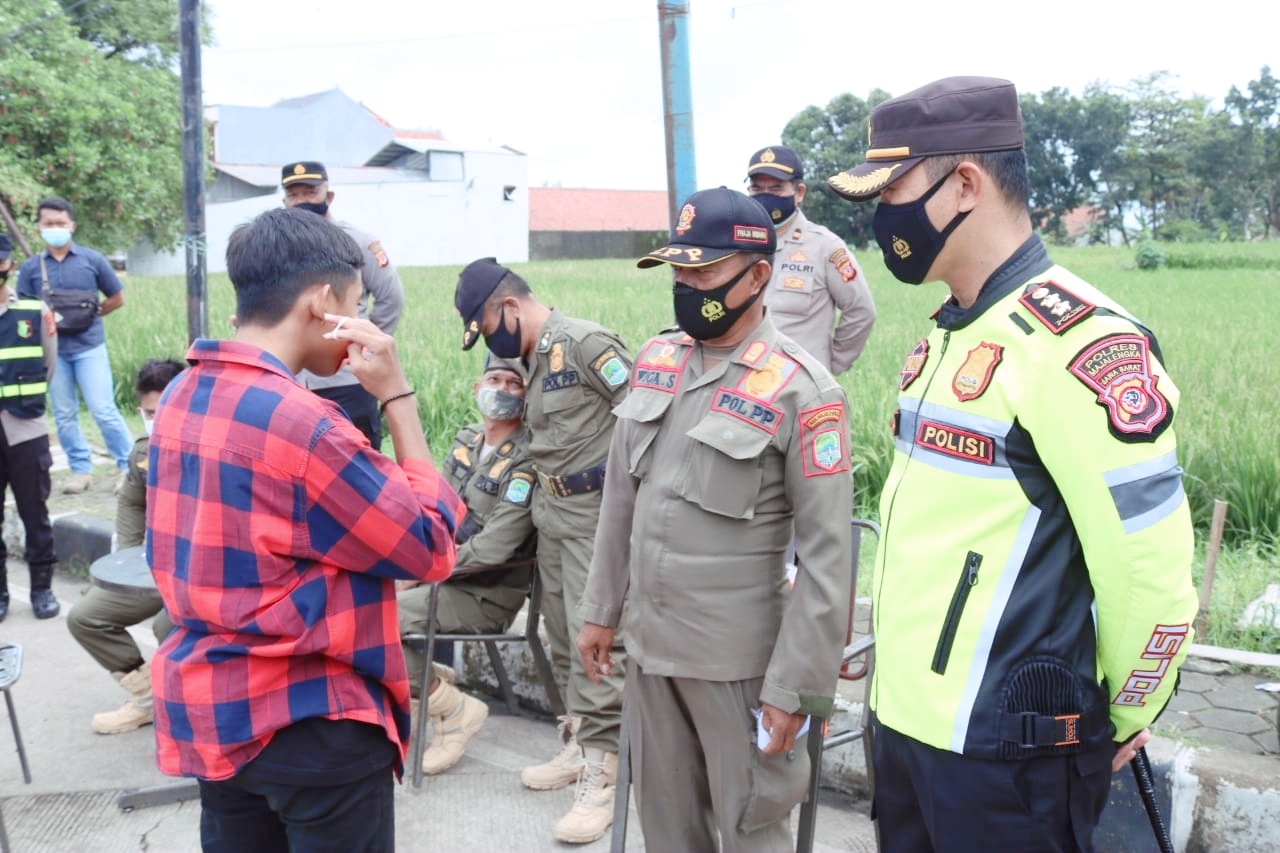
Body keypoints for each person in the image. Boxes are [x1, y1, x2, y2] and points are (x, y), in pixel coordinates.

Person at [825, 76, 1199, 851]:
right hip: (907, 733)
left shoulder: (1079, 345)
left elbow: (1149, 567)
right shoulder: (945, 338)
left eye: (892, 191)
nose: (879, 218)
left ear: (966, 184)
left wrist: (1127, 713)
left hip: (1006, 756)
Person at [146, 207, 465, 852]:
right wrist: (397, 398)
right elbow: (430, 545)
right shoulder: (304, 425)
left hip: (215, 714)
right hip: (309, 719)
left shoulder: (183, 394)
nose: (365, 323)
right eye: (356, 303)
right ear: (323, 303)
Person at [576, 187, 854, 851]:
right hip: (649, 653)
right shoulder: (658, 360)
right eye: (678, 271)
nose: (685, 285)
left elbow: (827, 560)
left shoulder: (803, 390)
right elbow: (621, 499)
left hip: (737, 668)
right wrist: (601, 608)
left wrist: (794, 688)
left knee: (750, 829)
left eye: (703, 272)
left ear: (758, 274)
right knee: (668, 832)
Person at [454, 257, 631, 844]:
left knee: (596, 644)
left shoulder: (583, 343)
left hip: (594, 519)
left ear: (508, 307)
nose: (489, 340)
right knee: (560, 638)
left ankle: (607, 779)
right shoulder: (529, 361)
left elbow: (648, 416)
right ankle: (582, 744)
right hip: (551, 517)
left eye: (485, 325)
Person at [397, 353, 537, 776]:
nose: (503, 391)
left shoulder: (528, 458)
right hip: (442, 580)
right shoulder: (466, 440)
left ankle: (453, 710)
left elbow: (495, 547)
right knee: (359, 598)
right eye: (495, 379)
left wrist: (420, 571)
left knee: (375, 620)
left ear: (528, 397)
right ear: (478, 389)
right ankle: (424, 683)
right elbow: (434, 510)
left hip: (484, 593)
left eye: (515, 384)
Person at [66, 357, 185, 734]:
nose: (158, 418)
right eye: (150, 412)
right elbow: (132, 504)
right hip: (156, 570)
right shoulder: (142, 453)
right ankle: (149, 696)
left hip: (202, 573)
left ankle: (190, 704)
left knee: (171, 627)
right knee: (86, 615)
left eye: (166, 408)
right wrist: (123, 567)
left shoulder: (212, 449)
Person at [282, 160, 405, 450]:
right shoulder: (278, 248)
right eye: (294, 194)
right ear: (284, 201)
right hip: (292, 382)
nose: (302, 201)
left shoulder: (359, 242)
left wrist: (360, 345)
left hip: (348, 381)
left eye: (310, 192)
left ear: (329, 195)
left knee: (360, 468)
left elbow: (391, 299)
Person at [15, 197, 134, 494]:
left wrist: (93, 315)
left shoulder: (92, 260)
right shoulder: (31, 268)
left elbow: (117, 297)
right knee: (64, 413)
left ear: (72, 226)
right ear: (39, 227)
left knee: (103, 409)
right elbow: (25, 311)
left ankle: (129, 466)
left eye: (60, 223)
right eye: (48, 224)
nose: (55, 228)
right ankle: (80, 469)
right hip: (54, 352)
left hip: (89, 345)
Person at [745, 145, 877, 375]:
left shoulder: (825, 247)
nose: (765, 196)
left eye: (776, 188)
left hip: (799, 389)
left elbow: (861, 311)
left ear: (799, 192)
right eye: (757, 188)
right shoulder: (737, 246)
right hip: (742, 385)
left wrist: (827, 367)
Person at [0, 230, 60, 621]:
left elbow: (48, 366)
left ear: (8, 264)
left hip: (25, 429)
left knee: (34, 513)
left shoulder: (35, 312)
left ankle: (42, 590)